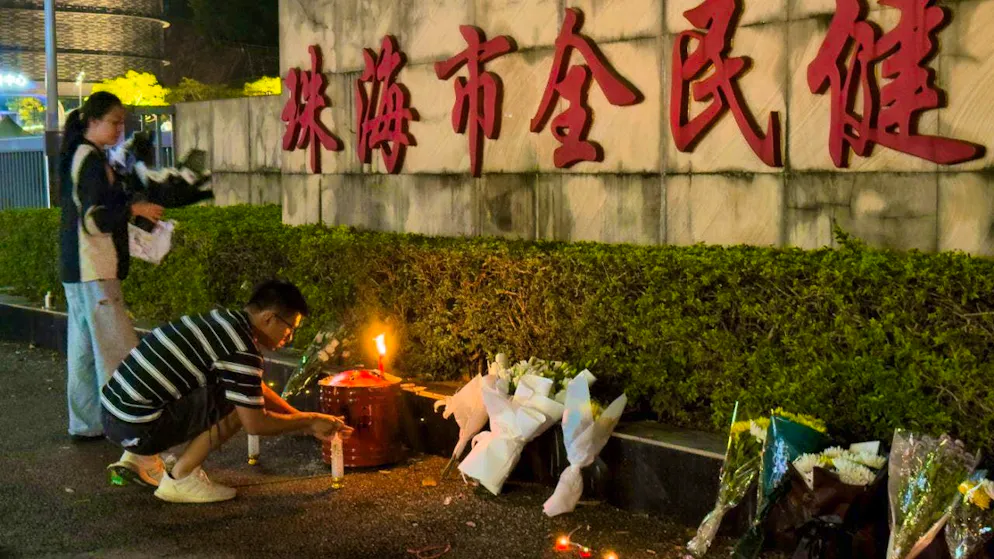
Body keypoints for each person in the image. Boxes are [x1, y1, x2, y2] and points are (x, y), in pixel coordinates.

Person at [101, 280, 353, 503]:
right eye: (290, 328)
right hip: (138, 427)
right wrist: (309, 420)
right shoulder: (242, 347)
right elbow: (255, 423)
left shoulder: (224, 322)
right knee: (236, 403)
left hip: (115, 416)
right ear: (269, 318)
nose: (289, 338)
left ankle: (137, 459)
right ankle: (181, 478)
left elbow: (255, 387)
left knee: (238, 391)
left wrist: (302, 418)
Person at [59, 92, 164, 440]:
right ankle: (130, 429)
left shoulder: (82, 154)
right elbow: (95, 219)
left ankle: (86, 424)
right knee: (117, 349)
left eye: (123, 122)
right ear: (93, 121)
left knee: (85, 350)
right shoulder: (90, 159)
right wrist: (135, 211)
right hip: (94, 267)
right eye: (115, 121)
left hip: (78, 268)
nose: (121, 129)